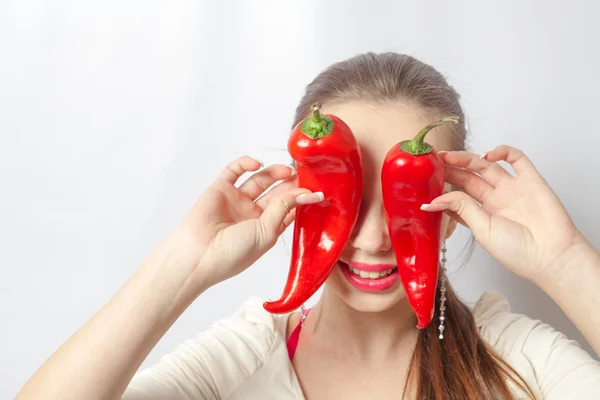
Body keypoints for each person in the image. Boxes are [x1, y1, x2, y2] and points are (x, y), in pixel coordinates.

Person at [16, 52, 600, 400]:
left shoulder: (514, 361)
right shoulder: (247, 359)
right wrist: (180, 267)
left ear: (453, 213)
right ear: (298, 197)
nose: (371, 239)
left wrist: (566, 262)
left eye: (407, 201)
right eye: (343, 196)